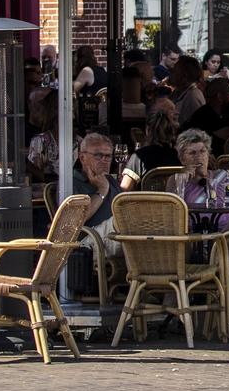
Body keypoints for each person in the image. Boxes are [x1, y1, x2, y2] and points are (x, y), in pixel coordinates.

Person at [170, 128, 229, 265]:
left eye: (202, 151)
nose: (198, 157)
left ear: (208, 154)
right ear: (182, 159)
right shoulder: (177, 180)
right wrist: (186, 179)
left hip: (227, 233)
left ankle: (221, 239)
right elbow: (171, 209)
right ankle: (219, 245)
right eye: (192, 153)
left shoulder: (222, 176)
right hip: (194, 239)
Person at [73, 131, 122, 267]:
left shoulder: (111, 180)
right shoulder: (71, 182)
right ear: (82, 157)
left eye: (108, 156)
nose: (104, 160)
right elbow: (75, 220)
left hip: (116, 238)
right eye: (98, 155)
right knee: (122, 221)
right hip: (87, 243)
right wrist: (102, 190)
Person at [120, 98, 180, 190]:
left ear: (148, 130)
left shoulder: (140, 157)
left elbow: (123, 192)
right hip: (177, 204)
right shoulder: (182, 156)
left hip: (146, 204)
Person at [165, 56, 206, 125]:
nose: (171, 71)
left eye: (175, 69)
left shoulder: (193, 96)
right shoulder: (179, 92)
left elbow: (195, 128)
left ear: (184, 75)